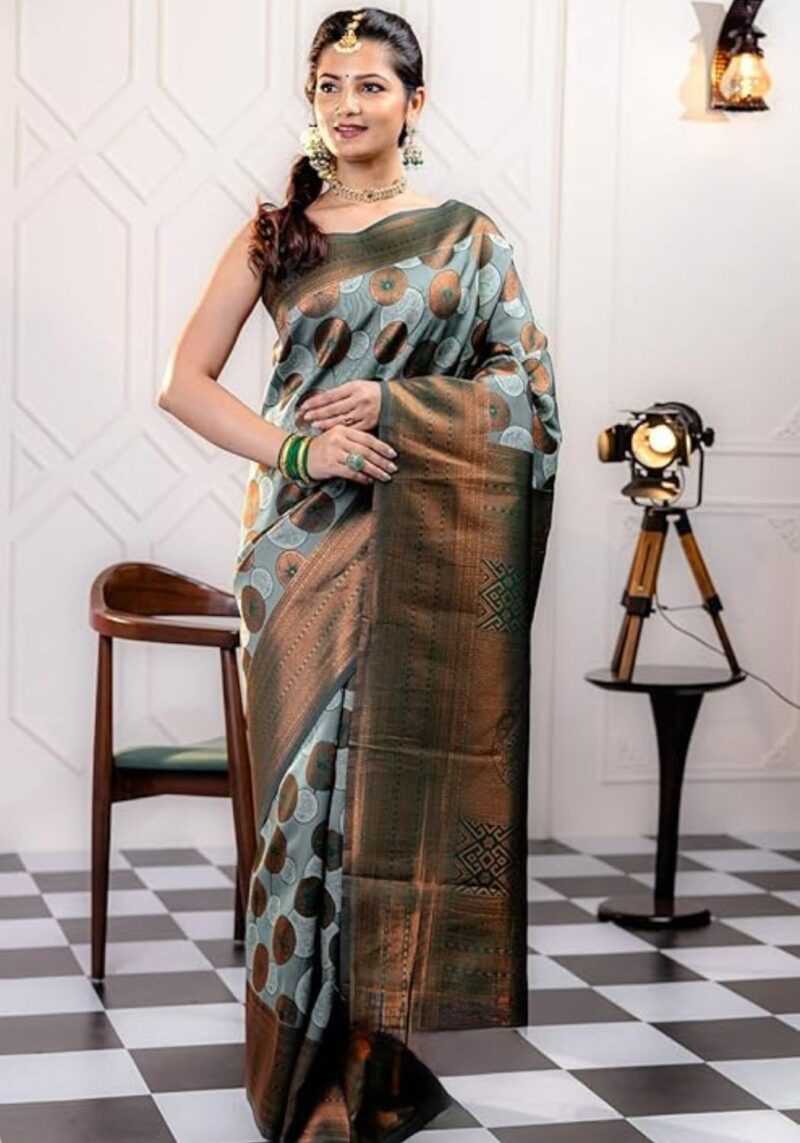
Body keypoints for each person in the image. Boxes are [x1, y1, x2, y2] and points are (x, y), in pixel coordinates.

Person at [158, 8, 562, 1141]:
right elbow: (185, 384)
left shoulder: (466, 238)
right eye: (329, 85)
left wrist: (396, 404)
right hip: (298, 551)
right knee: (302, 810)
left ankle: (374, 1060)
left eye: (371, 85)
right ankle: (299, 1076)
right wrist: (299, 452)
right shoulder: (274, 233)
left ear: (413, 104)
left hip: (423, 542)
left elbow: (526, 397)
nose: (347, 105)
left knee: (389, 802)